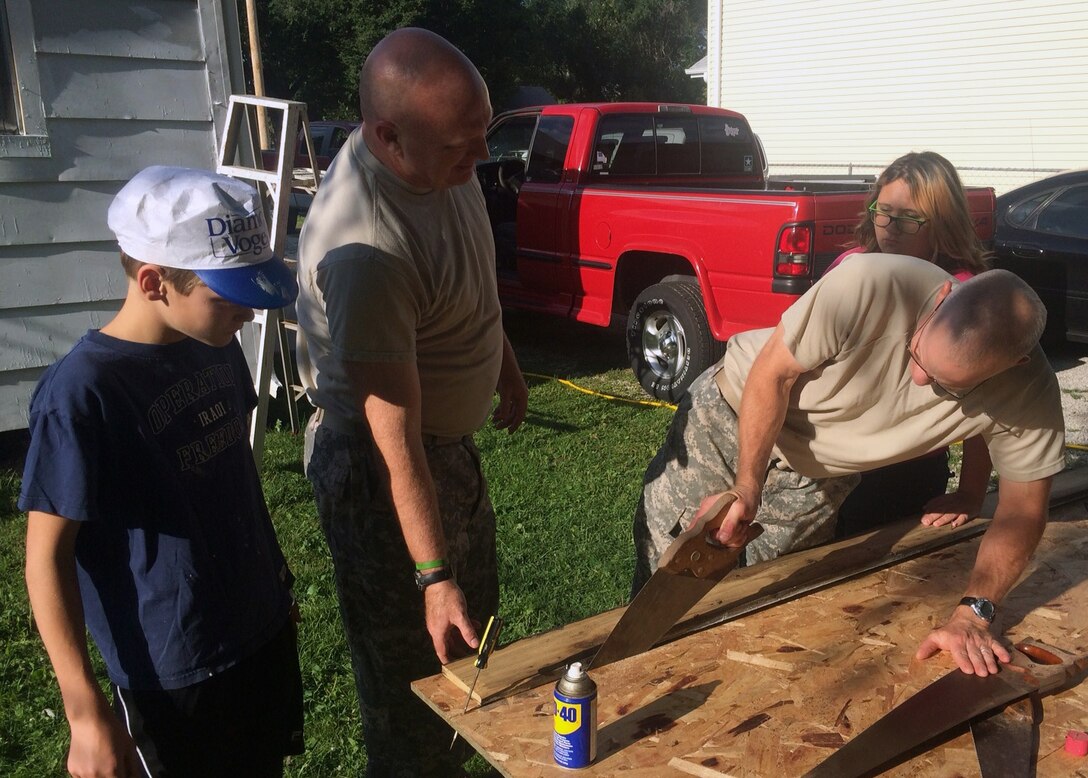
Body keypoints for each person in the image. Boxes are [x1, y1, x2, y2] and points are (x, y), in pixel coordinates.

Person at [632, 254, 1064, 678]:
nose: (918, 381)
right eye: (916, 354)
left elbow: (1023, 511)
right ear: (942, 298)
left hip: (820, 475)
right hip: (731, 418)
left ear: (1014, 366)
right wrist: (748, 483)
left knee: (770, 598)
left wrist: (975, 612)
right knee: (672, 575)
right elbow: (774, 374)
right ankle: (629, 680)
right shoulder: (870, 283)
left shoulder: (1030, 392)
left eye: (944, 385)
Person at [294, 28, 527, 777]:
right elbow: (392, 438)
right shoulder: (366, 248)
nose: (481, 159)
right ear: (386, 137)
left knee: (475, 651)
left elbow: (467, 285)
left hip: (445, 453)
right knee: (412, 694)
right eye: (463, 144)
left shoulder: (439, 168)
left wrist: (504, 363)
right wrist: (430, 574)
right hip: (380, 469)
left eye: (482, 133)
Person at [21, 166, 304, 777]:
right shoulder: (82, 394)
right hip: (174, 673)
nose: (248, 315)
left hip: (259, 635)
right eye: (228, 296)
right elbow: (45, 557)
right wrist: (84, 712)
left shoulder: (216, 343)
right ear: (154, 282)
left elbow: (235, 477)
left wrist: (273, 578)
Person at [825, 151, 993, 536]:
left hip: (902, 470)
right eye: (882, 211)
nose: (890, 227)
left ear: (942, 223)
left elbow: (987, 407)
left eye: (908, 219)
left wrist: (970, 493)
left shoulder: (964, 294)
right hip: (830, 456)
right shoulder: (850, 265)